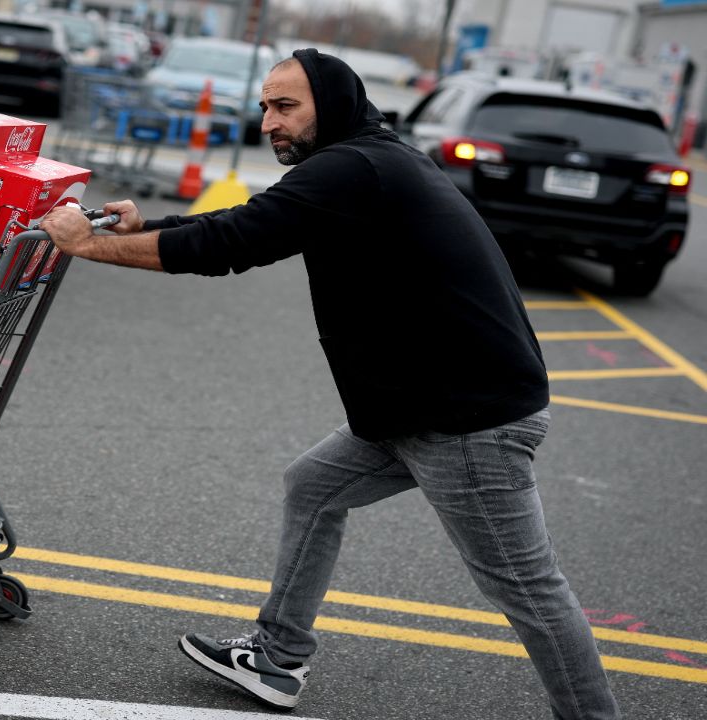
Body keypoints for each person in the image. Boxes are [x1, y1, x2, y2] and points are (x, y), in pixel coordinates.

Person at [38, 49, 620, 719]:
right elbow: (249, 221)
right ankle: (277, 658)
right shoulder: (363, 163)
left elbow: (229, 246)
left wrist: (89, 244)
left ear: (333, 105)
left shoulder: (353, 169)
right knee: (313, 488)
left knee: (527, 588)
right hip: (413, 407)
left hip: (465, 419)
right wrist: (148, 228)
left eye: (286, 107)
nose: (269, 122)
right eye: (265, 107)